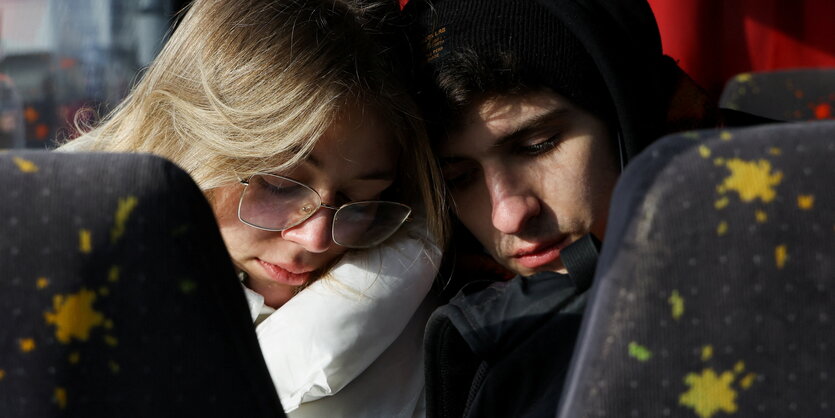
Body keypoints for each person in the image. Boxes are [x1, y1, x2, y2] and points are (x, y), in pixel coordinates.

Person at [59, 0, 447, 416]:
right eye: (280, 186)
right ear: (188, 141)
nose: (315, 239)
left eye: (358, 202)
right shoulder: (46, 278)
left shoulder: (424, 334)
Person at [400, 0, 773, 416]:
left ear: (626, 114)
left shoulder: (796, 231)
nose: (508, 214)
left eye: (538, 145)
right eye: (458, 178)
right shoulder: (423, 306)